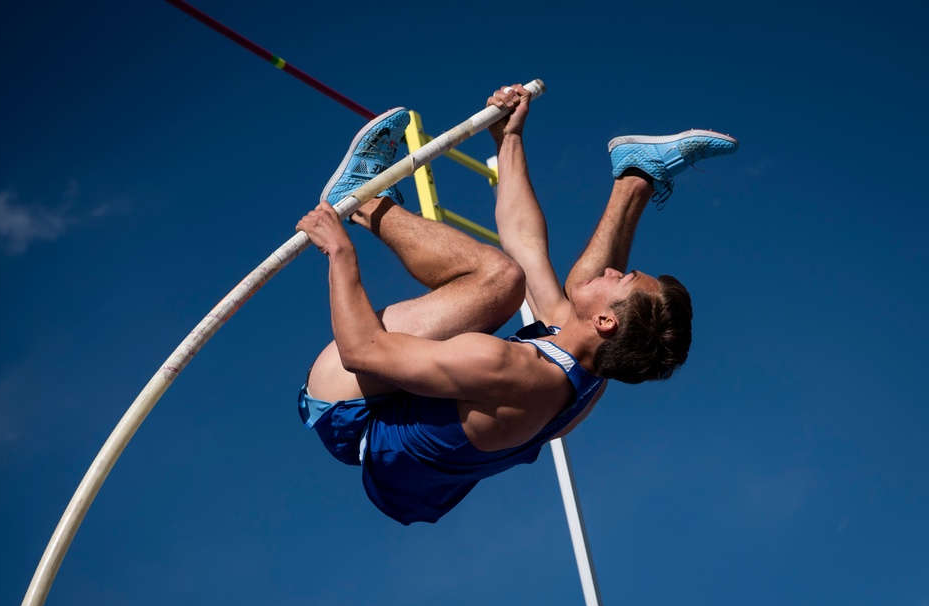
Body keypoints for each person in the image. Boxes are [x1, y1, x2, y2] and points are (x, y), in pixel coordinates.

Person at [296, 84, 737, 525]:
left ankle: (362, 198)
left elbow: (362, 353)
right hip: (397, 424)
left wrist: (340, 254)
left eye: (620, 280)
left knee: (501, 281)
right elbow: (524, 242)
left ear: (604, 321)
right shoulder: (588, 369)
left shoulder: (508, 370)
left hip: (346, 405)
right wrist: (508, 138)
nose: (609, 271)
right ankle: (636, 178)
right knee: (526, 276)